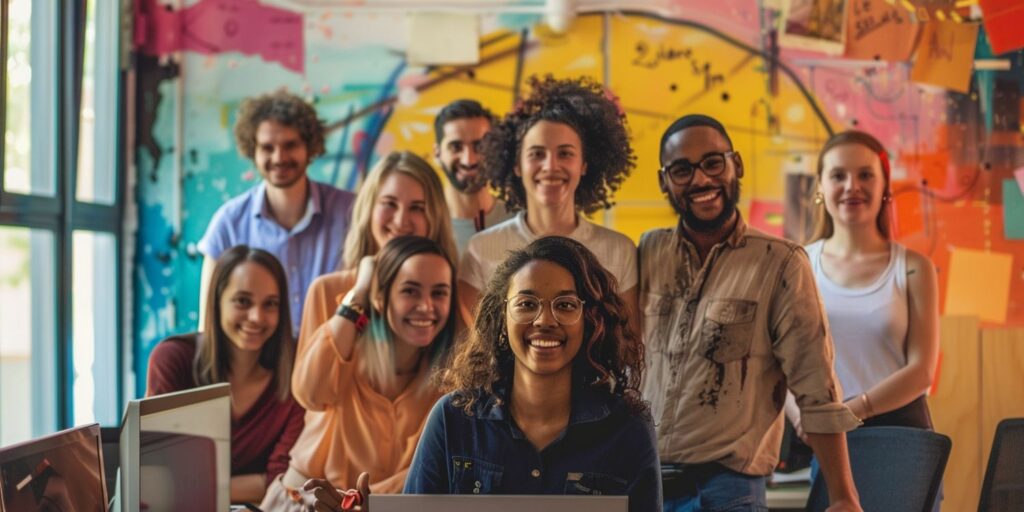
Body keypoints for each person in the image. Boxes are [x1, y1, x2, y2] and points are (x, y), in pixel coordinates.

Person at [306, 236, 662, 512]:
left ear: (591, 321)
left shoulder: (628, 429)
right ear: (501, 319)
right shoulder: (453, 419)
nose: (544, 320)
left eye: (566, 305)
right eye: (526, 304)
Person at [639, 114, 863, 511]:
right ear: (664, 182)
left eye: (713, 162)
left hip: (724, 490)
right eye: (681, 169)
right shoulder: (647, 253)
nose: (701, 180)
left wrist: (844, 497)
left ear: (735, 165)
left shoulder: (781, 263)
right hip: (642, 482)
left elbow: (817, 389)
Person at [786, 131, 940, 497]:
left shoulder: (915, 267)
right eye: (838, 175)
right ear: (821, 186)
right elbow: (781, 363)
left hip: (903, 441)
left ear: (885, 185)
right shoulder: (797, 265)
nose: (852, 186)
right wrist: (800, 418)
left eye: (866, 174)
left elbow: (921, 372)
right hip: (827, 444)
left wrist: (850, 413)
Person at [259, 236, 458, 510]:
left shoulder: (450, 377)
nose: (426, 306)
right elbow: (310, 393)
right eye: (410, 291)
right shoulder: (346, 350)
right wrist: (362, 288)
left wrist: (364, 502)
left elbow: (435, 467)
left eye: (439, 293)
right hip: (305, 502)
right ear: (379, 297)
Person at [459, 75, 638, 328]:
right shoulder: (480, 250)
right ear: (517, 165)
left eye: (565, 153)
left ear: (585, 165)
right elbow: (472, 356)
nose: (551, 166)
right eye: (537, 154)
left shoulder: (619, 251)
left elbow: (627, 352)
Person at [147, 245, 305, 504]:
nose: (256, 317)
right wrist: (260, 483)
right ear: (216, 301)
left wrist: (195, 486)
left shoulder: (297, 366)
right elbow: (159, 473)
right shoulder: (172, 359)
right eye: (242, 301)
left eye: (270, 304)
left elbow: (283, 479)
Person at [198, 90, 357, 334]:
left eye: (290, 145)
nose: (279, 157)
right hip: (255, 367)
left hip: (335, 362)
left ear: (310, 146)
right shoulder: (229, 223)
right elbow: (208, 325)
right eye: (267, 147)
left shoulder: (351, 212)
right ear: (252, 150)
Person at [433, 99, 512, 255]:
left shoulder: (521, 221)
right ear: (437, 153)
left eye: (479, 146)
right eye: (456, 147)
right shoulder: (427, 226)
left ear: (494, 150)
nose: (468, 160)